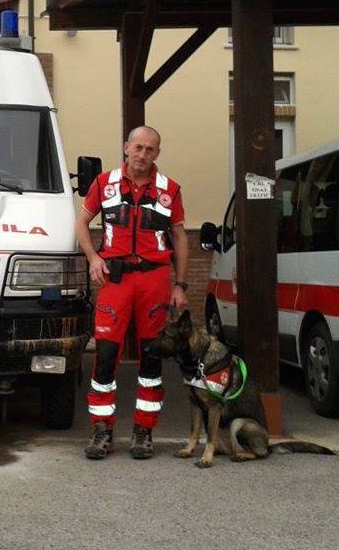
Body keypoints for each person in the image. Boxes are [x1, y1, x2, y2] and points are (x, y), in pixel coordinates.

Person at [75, 126, 189, 460]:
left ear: (157, 153)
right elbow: (81, 222)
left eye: (150, 149)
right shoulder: (104, 183)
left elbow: (180, 237)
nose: (142, 154)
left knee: (152, 356)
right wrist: (93, 258)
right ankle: (102, 429)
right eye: (137, 147)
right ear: (126, 147)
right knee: (106, 356)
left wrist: (180, 285)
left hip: (154, 280)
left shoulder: (170, 190)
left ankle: (143, 431)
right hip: (115, 280)